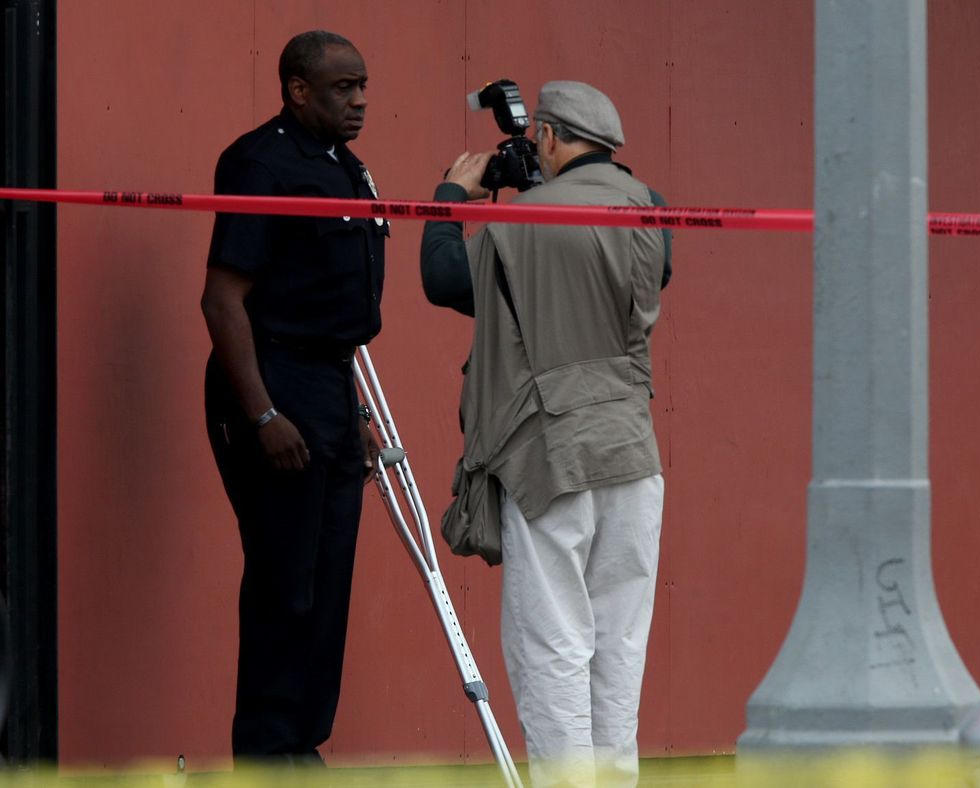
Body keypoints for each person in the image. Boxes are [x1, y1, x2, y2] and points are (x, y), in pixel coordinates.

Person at [420, 80, 670, 786]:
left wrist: (451, 198)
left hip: (549, 453)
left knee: (553, 641)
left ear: (551, 138)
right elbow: (662, 269)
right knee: (620, 642)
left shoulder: (520, 221)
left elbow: (443, 279)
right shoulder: (652, 209)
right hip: (631, 447)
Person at [200, 30, 385, 764]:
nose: (361, 100)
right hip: (275, 382)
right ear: (298, 88)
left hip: (334, 384)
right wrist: (263, 413)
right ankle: (269, 755)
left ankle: (303, 746)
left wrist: (357, 412)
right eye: (344, 87)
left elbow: (338, 309)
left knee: (328, 581)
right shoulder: (261, 162)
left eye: (364, 85)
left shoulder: (347, 168)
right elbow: (221, 301)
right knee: (285, 584)